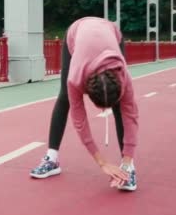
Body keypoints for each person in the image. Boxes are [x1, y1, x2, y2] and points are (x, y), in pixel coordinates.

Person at [30, 17, 139, 191]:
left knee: (121, 107)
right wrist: (102, 163)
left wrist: (127, 159)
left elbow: (131, 115)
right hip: (77, 31)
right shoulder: (75, 79)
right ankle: (52, 159)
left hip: (111, 33)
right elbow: (80, 121)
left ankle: (128, 168)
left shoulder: (123, 76)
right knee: (65, 97)